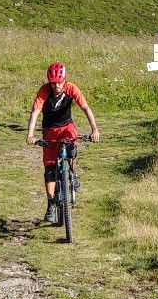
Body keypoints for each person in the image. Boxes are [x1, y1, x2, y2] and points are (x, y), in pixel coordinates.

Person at [25, 62, 101, 224]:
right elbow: (35, 112)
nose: (56, 86)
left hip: (67, 126)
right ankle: (51, 204)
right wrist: (30, 134)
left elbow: (85, 107)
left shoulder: (71, 88)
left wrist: (94, 129)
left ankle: (72, 173)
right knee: (50, 168)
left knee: (72, 145)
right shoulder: (44, 91)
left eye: (59, 82)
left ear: (64, 80)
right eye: (53, 83)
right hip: (49, 130)